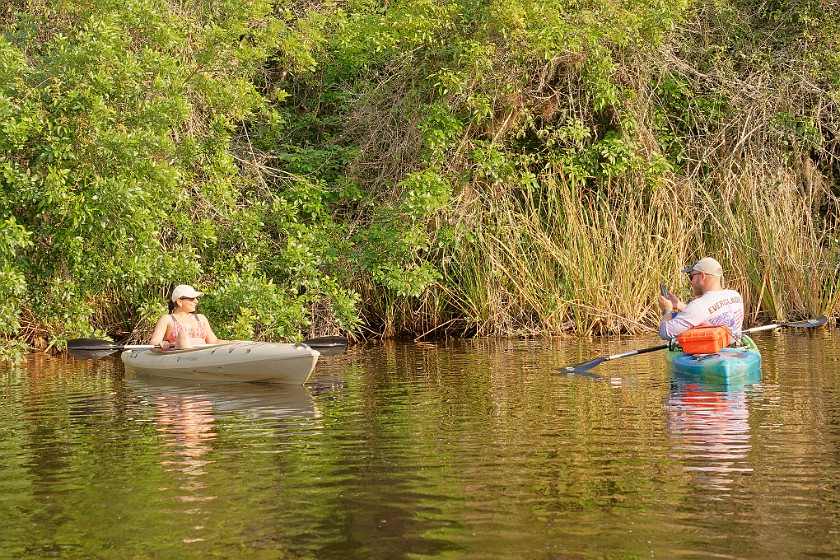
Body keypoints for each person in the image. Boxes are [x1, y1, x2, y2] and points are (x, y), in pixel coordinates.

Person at [658, 258, 745, 343]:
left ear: (702, 276)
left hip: (710, 355)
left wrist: (667, 310)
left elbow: (665, 332)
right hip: (734, 346)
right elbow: (708, 312)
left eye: (691, 277)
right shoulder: (735, 295)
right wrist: (679, 305)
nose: (690, 282)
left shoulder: (699, 305)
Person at [149, 285, 222, 350]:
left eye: (196, 299)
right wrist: (162, 344)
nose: (196, 302)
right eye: (192, 299)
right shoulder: (167, 319)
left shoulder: (201, 318)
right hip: (180, 356)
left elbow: (214, 341)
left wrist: (232, 343)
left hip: (203, 355)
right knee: (183, 334)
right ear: (179, 302)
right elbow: (154, 343)